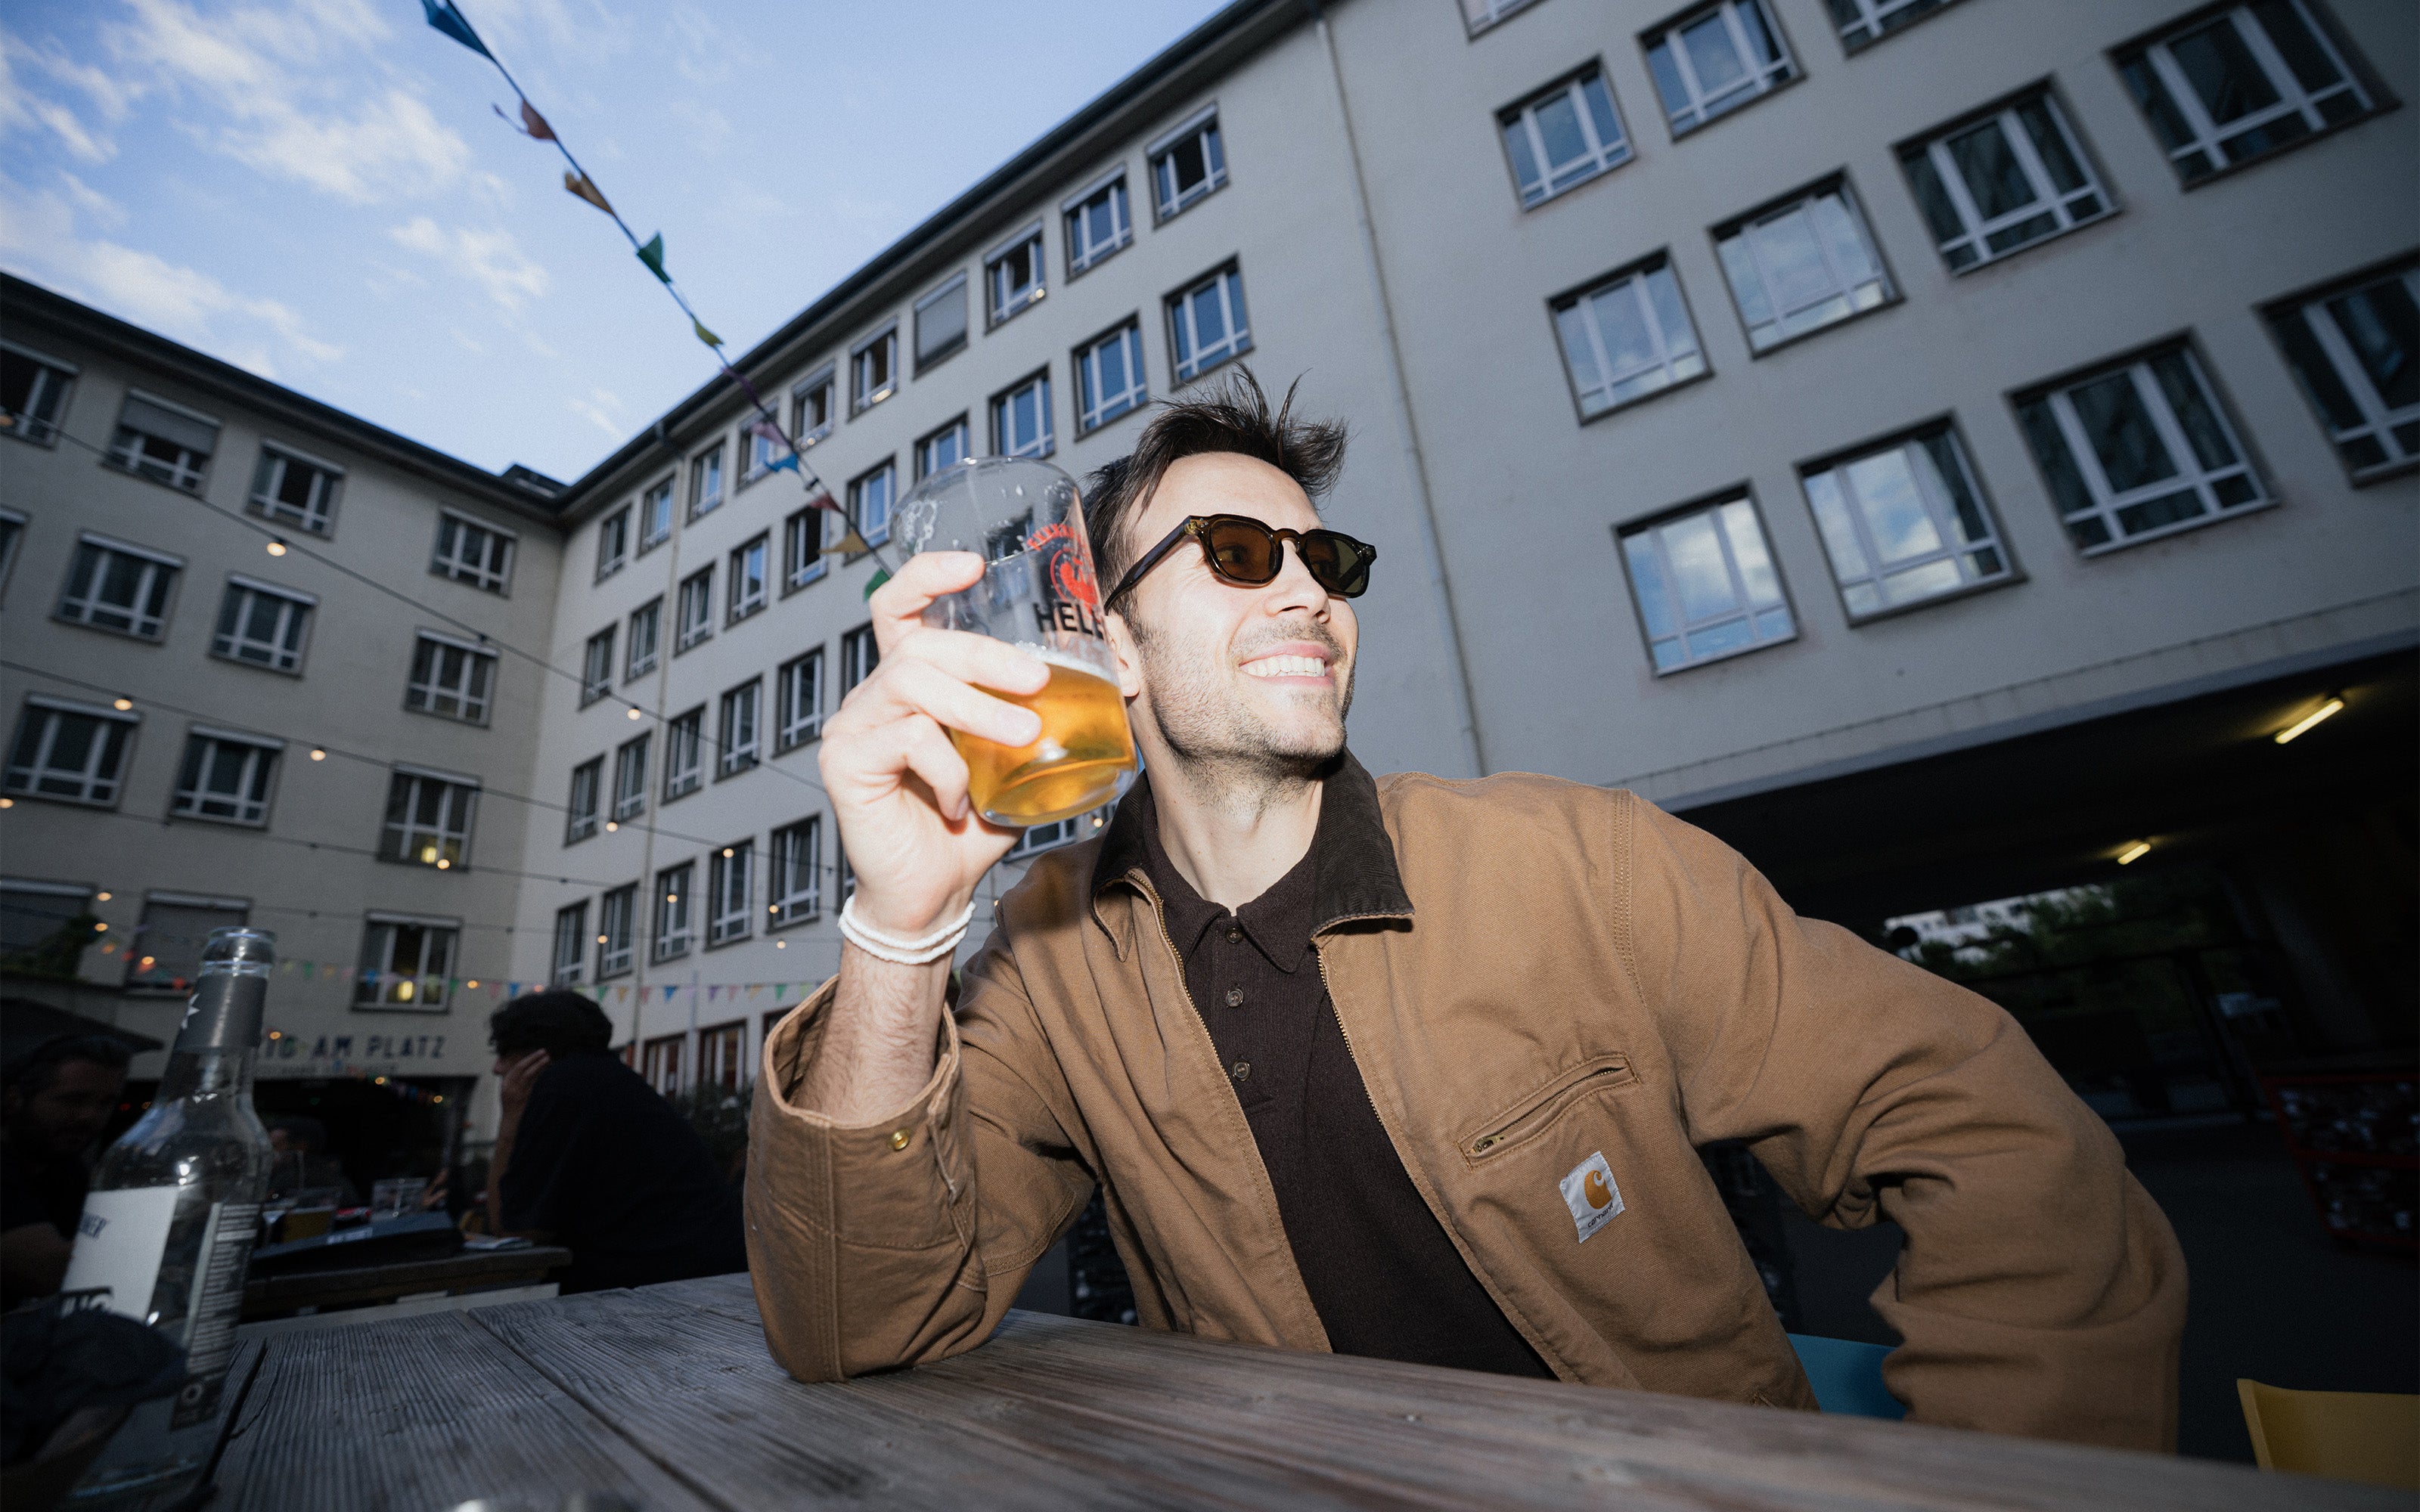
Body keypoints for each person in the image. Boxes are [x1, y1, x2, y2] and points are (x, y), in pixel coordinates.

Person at [747, 370, 2187, 1449]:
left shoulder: (1577, 861)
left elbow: (1999, 1139)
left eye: (1332, 560)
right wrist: (902, 920)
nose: (1312, 591)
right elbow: (857, 1323)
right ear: (1103, 635)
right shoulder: (1049, 974)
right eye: (1242, 554)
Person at [486, 990, 745, 1294]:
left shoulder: (563, 1089)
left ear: (536, 1057)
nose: (497, 1068)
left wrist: (509, 1124)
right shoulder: (615, 1083)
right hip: (707, 1282)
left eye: (505, 1052)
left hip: (655, 1300)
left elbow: (513, 1231)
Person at [2, 1035, 130, 1311]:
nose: (90, 1117)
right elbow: (46, 1269)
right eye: (73, 1100)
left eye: (105, 1103)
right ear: (15, 1099)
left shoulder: (66, 1172)